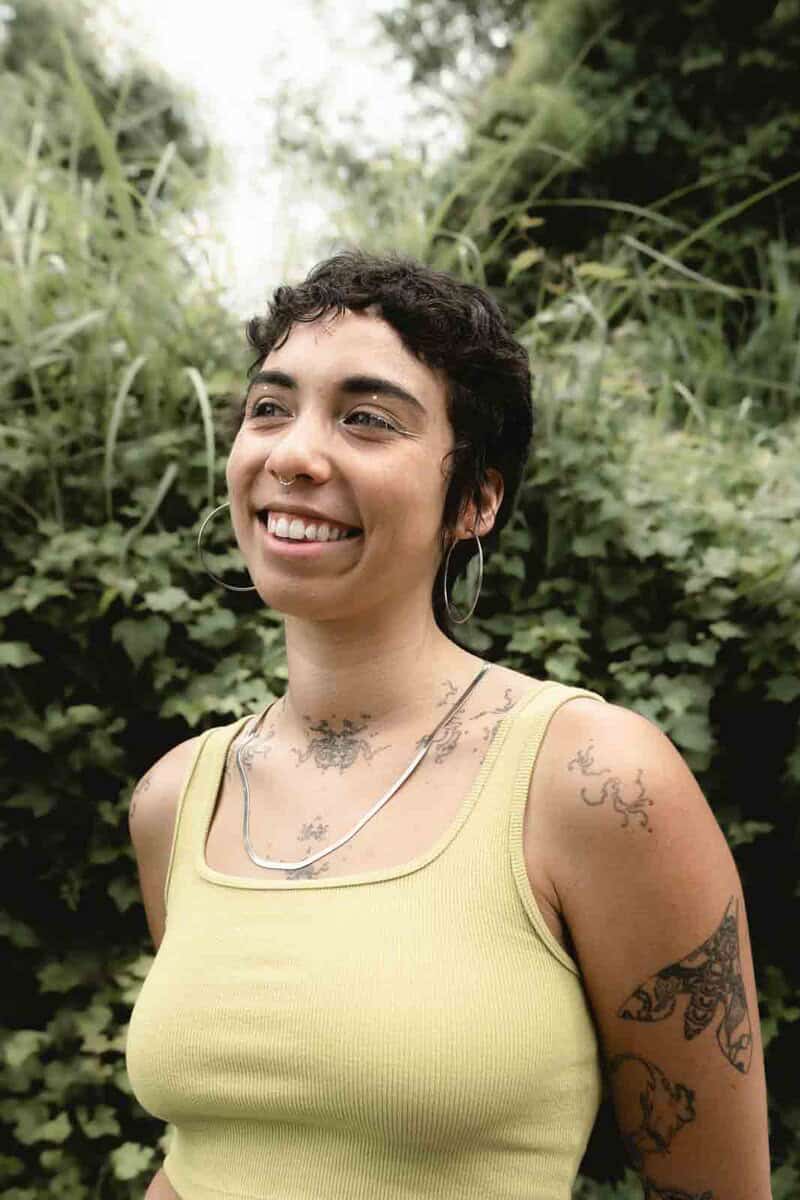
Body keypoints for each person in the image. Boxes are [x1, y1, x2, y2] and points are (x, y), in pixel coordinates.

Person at [125, 249, 771, 1200]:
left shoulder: (594, 781)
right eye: (269, 407)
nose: (291, 454)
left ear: (475, 500)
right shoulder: (180, 797)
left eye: (367, 418)